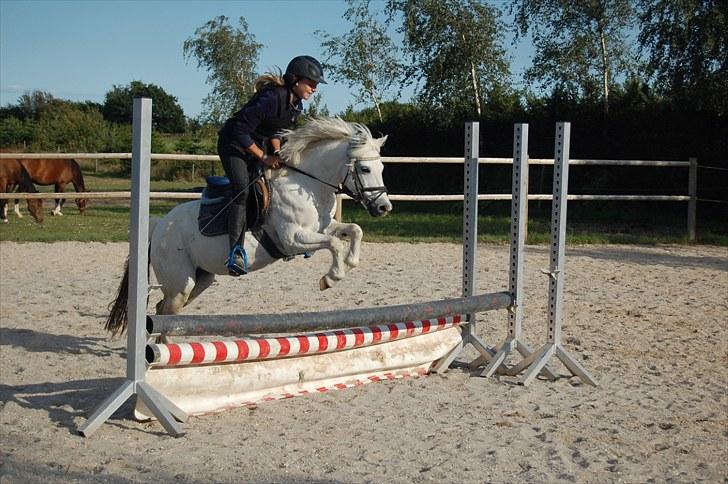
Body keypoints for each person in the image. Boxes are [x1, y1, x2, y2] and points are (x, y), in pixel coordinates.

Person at [217, 55, 326, 276]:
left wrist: (276, 151)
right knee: (243, 189)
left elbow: (275, 132)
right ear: (295, 80)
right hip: (233, 145)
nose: (314, 89)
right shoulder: (272, 97)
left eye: (315, 85)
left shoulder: (296, 106)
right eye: (311, 83)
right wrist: (264, 157)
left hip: (255, 144)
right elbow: (239, 131)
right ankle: (235, 251)